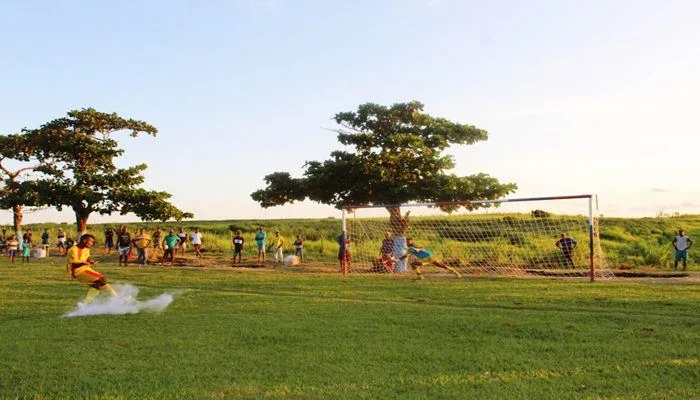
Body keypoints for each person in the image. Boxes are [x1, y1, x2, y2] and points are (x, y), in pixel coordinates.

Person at [67, 234, 118, 306]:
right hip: (77, 271)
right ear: (84, 240)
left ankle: (83, 304)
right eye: (91, 241)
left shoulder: (86, 249)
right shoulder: (73, 250)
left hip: (85, 269)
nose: (92, 244)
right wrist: (85, 263)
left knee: (97, 285)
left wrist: (90, 261)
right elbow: (74, 265)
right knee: (101, 278)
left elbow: (87, 258)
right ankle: (116, 298)